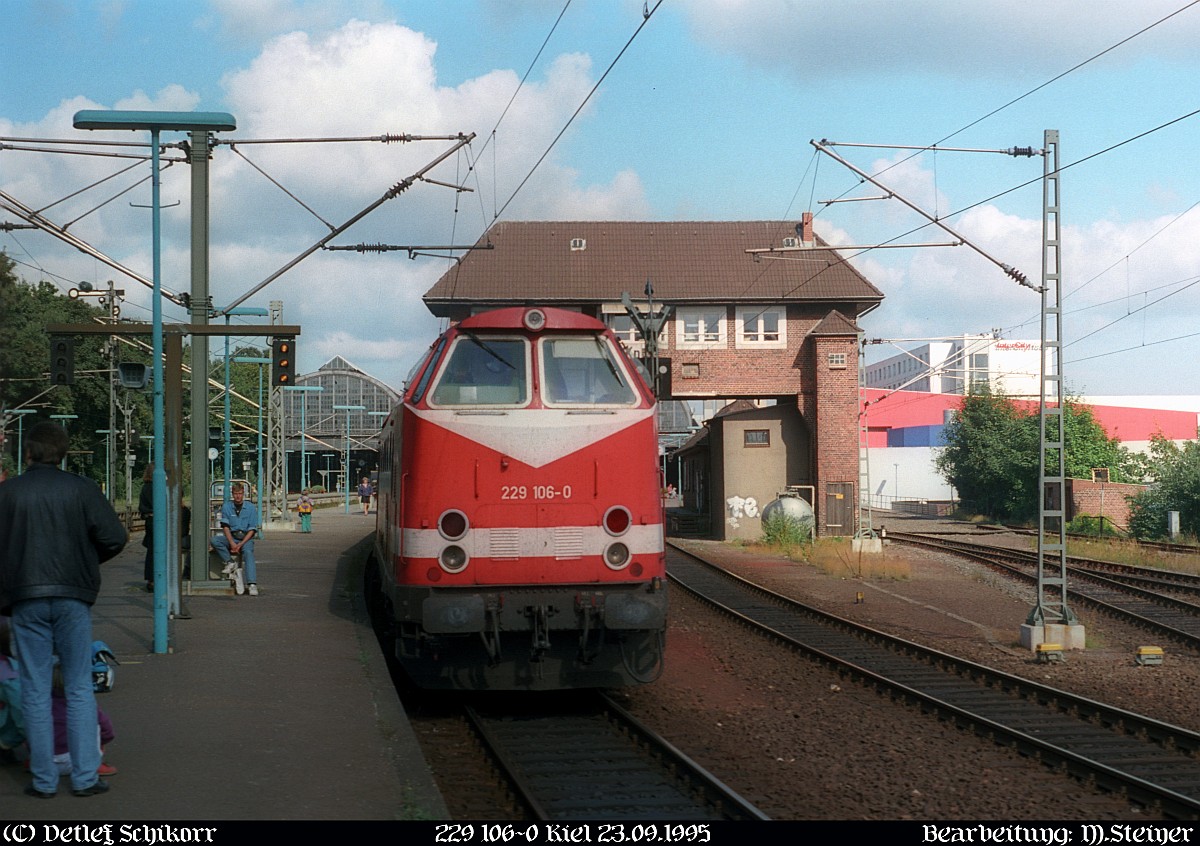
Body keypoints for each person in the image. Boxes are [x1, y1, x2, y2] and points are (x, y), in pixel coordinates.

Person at [0, 422, 127, 798]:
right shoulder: (82, 489)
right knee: (77, 688)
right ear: (64, 453)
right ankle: (86, 777)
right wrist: (84, 565)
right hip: (73, 599)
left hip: (25, 601)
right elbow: (115, 538)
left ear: (28, 453)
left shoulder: (7, 494)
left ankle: (43, 781)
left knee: (35, 690)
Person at [210, 484, 260, 597]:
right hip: (232, 536)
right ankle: (230, 562)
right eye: (236, 494)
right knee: (215, 540)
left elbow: (252, 529)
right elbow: (225, 526)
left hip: (246, 538)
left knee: (248, 553)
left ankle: (252, 583)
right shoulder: (227, 507)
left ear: (244, 494)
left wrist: (240, 544)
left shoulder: (251, 507)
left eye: (240, 494)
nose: (238, 496)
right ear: (232, 494)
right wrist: (232, 543)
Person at [138, 464, 154, 592]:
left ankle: (150, 579)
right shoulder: (157, 487)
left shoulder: (145, 488)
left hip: (149, 521)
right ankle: (155, 578)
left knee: (151, 551)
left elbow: (141, 509)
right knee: (158, 550)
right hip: (157, 521)